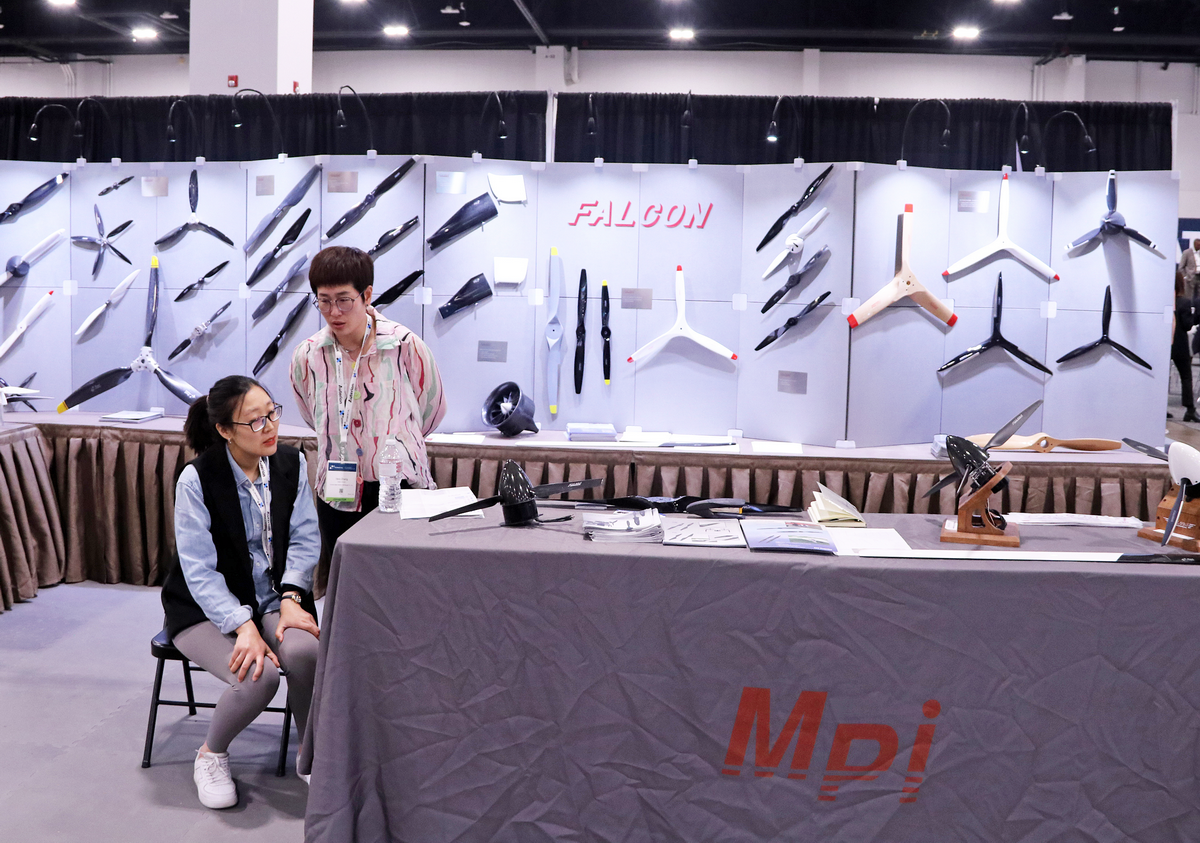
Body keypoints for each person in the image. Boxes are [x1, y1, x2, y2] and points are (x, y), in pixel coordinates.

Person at [162, 375, 321, 809]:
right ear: (225, 430)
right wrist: (243, 626)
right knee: (259, 676)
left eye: (272, 413)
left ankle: (313, 757)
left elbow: (305, 538)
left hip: (274, 598)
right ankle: (210, 754)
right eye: (255, 421)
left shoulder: (290, 463)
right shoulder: (197, 479)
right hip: (204, 609)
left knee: (306, 653)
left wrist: (291, 597)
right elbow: (198, 571)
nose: (270, 427)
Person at [290, 245, 446, 585]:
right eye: (324, 300)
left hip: (401, 486)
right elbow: (310, 414)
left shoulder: (404, 345)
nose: (334, 311)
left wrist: (397, 443)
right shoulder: (308, 355)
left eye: (344, 300)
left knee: (404, 586)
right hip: (338, 492)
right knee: (349, 588)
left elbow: (432, 409)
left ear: (367, 295)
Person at [1172, 269, 1198, 423]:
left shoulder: (1163, 302)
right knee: (1186, 376)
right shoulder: (1184, 302)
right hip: (1179, 345)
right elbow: (1188, 325)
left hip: (1165, 345)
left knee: (1162, 377)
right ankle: (1190, 410)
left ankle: (1161, 408)